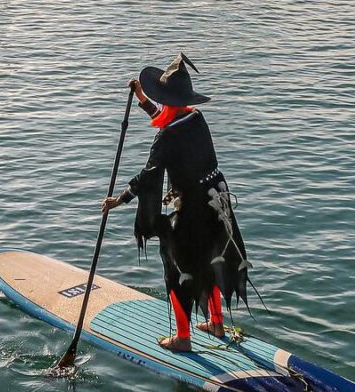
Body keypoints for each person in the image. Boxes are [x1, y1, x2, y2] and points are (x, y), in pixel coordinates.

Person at [101, 55, 250, 353]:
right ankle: (217, 323)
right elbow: (167, 117)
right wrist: (143, 99)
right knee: (211, 260)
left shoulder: (167, 137)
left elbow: (148, 176)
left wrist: (120, 199)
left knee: (177, 269)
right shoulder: (195, 117)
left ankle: (183, 338)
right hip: (216, 201)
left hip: (193, 210)